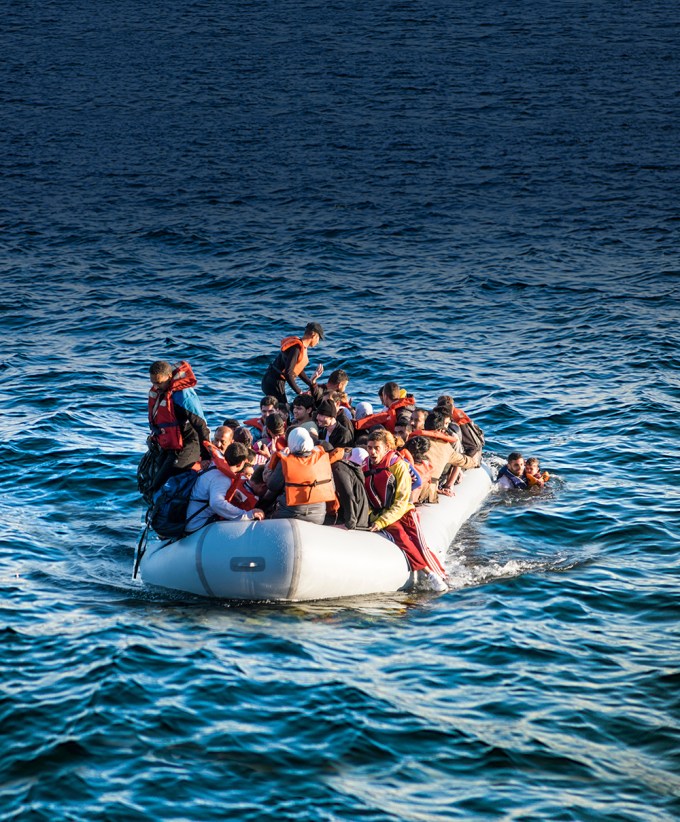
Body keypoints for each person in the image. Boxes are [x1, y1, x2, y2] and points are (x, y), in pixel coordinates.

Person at [363, 429, 448, 592]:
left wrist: (382, 521)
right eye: (369, 447)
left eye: (376, 448)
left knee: (419, 544)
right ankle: (429, 573)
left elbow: (401, 502)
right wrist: (373, 518)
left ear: (387, 447)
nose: (372, 452)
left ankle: (440, 575)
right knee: (402, 538)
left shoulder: (398, 465)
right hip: (382, 514)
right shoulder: (364, 466)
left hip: (402, 512)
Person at [144, 360, 211, 496]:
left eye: (158, 382)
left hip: (188, 443)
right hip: (170, 445)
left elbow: (201, 425)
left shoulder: (183, 396)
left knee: (169, 478)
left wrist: (205, 456)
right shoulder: (161, 391)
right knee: (154, 481)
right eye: (153, 382)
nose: (155, 386)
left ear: (169, 377)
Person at [185, 442, 265, 533]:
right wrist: (247, 515)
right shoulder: (223, 478)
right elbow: (216, 503)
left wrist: (232, 492)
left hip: (190, 516)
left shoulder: (213, 465)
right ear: (240, 464)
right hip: (197, 524)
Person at [266, 427, 338, 525]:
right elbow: (332, 487)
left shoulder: (285, 462)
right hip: (319, 516)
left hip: (289, 515)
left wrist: (270, 465)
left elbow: (272, 485)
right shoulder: (322, 459)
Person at [411, 409, 480, 501]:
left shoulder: (413, 441)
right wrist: (474, 461)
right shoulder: (446, 447)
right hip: (426, 493)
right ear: (441, 430)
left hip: (409, 487)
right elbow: (466, 462)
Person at [261, 322, 325, 413]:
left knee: (282, 409)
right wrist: (300, 392)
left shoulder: (300, 346)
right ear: (313, 335)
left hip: (273, 380)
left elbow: (298, 369)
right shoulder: (296, 348)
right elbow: (288, 373)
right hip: (273, 382)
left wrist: (310, 383)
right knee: (283, 410)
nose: (318, 342)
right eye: (318, 338)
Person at [329, 447, 371, 530]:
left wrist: (349, 524)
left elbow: (348, 494)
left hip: (353, 524)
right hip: (361, 521)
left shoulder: (339, 467)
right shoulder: (356, 472)